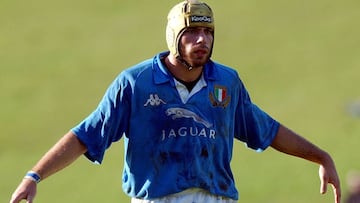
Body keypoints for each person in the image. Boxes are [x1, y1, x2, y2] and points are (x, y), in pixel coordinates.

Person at [10, 0, 341, 203]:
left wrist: (320, 157)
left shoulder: (226, 83)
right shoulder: (134, 84)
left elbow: (265, 130)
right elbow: (86, 135)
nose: (202, 40)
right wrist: (34, 176)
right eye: (192, 32)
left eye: (208, 32)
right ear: (174, 37)